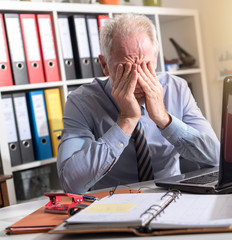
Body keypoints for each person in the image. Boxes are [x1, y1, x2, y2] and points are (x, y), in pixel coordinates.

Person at [57, 13, 220, 194]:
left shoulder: (177, 88)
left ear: (156, 58)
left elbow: (215, 158)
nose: (138, 80)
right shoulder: (81, 101)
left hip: (172, 197)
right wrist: (126, 120)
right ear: (104, 65)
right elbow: (71, 183)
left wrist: (164, 119)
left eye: (146, 66)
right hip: (113, 205)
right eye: (126, 69)